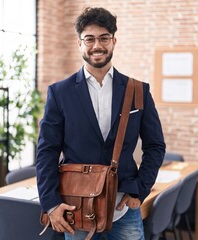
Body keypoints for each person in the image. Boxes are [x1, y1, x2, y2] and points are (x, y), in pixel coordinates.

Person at [36, 7, 165, 240]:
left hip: (124, 208)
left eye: (104, 38)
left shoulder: (138, 91)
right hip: (76, 206)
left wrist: (140, 190)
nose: (97, 45)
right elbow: (47, 150)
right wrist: (51, 203)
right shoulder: (60, 92)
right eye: (90, 39)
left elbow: (155, 145)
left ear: (114, 41)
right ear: (80, 43)